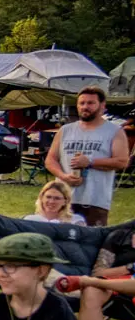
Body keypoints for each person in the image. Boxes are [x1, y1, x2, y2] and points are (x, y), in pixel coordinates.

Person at [46, 85, 126, 226]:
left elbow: (122, 161)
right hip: (62, 199)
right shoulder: (65, 130)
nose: (85, 107)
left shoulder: (114, 131)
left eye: (90, 103)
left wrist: (89, 162)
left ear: (102, 106)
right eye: (81, 103)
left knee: (90, 241)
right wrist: (63, 176)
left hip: (94, 200)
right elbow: (50, 160)